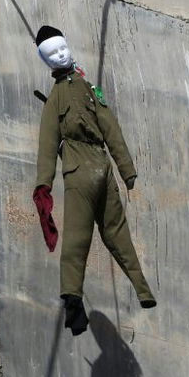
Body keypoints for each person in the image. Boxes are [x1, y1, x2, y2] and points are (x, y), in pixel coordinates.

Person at [33, 24, 155, 336]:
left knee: (117, 232)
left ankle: (143, 291)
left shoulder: (88, 89)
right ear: (46, 61)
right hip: (79, 169)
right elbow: (47, 145)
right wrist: (42, 186)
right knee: (78, 239)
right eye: (53, 53)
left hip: (101, 166)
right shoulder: (55, 100)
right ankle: (73, 303)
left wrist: (126, 170)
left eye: (62, 48)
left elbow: (110, 128)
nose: (60, 54)